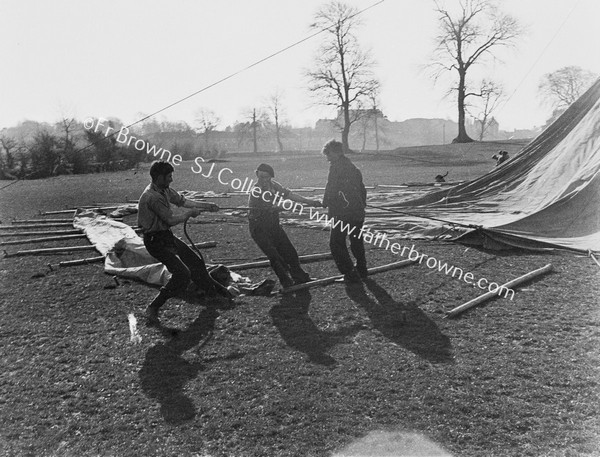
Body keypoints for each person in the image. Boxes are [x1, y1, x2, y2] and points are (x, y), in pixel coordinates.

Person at [138, 160, 230, 326]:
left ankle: (212, 295)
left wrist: (207, 205)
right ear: (159, 177)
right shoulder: (152, 197)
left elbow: (183, 201)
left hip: (165, 236)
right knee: (183, 274)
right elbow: (171, 219)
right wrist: (189, 214)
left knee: (195, 262)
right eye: (168, 177)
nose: (171, 180)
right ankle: (153, 307)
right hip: (155, 241)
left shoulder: (164, 190)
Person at [248, 163, 322, 290]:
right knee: (274, 256)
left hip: (273, 226)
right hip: (259, 228)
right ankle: (286, 282)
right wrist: (290, 207)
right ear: (257, 175)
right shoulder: (256, 191)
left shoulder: (274, 186)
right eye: (261, 177)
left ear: (271, 177)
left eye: (267, 177)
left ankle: (300, 277)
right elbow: (271, 208)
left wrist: (309, 201)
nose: (264, 180)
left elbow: (290, 195)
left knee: (290, 252)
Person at [321, 139, 367, 283]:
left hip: (342, 212)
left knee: (336, 243)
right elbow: (362, 190)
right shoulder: (353, 167)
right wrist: (361, 206)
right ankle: (362, 269)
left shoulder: (336, 167)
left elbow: (331, 188)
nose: (327, 158)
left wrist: (325, 202)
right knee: (356, 241)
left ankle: (349, 273)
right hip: (357, 212)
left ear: (336, 153)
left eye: (328, 154)